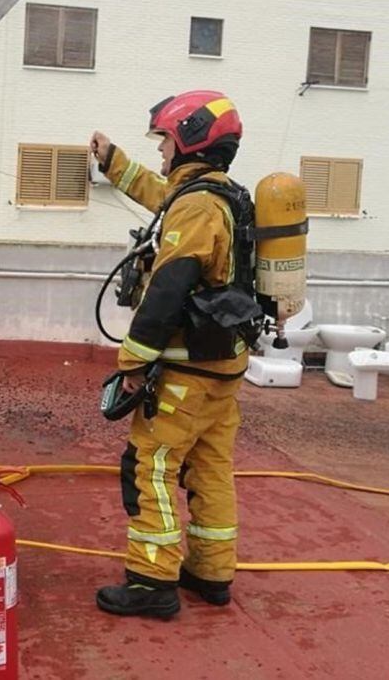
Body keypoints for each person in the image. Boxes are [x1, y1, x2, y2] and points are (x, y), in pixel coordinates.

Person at [90, 90, 248, 618]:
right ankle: (210, 571)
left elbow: (168, 289)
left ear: (189, 141)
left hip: (184, 370)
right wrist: (113, 160)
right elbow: (159, 191)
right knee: (209, 467)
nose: (161, 151)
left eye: (164, 141)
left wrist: (132, 365)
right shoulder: (217, 196)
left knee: (150, 466)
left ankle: (151, 581)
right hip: (221, 370)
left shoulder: (198, 205)